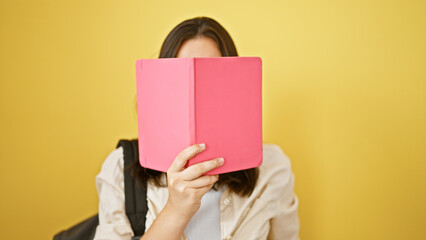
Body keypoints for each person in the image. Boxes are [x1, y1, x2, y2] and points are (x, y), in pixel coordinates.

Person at [93, 16, 300, 240]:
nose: (197, 96)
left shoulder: (273, 169)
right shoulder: (119, 169)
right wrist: (176, 210)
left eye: (213, 77)